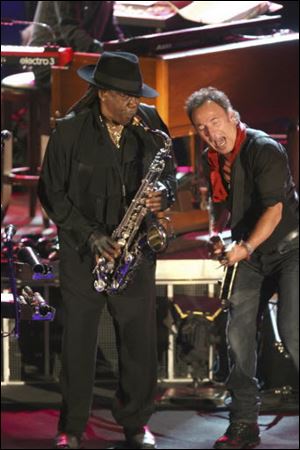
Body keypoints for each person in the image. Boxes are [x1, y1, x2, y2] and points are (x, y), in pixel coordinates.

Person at [38, 51, 177, 449]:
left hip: (134, 250)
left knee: (138, 342)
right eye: (129, 97)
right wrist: (90, 235)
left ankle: (135, 422)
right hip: (85, 252)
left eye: (138, 96)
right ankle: (73, 427)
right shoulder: (69, 130)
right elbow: (52, 193)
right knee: (78, 340)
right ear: (103, 94)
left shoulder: (149, 124)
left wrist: (164, 193)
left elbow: (169, 172)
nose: (137, 104)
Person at [185, 87, 299, 449]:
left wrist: (245, 246)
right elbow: (225, 207)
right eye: (201, 128)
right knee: (237, 335)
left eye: (215, 122)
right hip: (250, 252)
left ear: (232, 117)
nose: (210, 133)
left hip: (288, 248)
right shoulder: (212, 157)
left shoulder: (264, 149)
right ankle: (244, 424)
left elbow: (274, 211)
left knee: (293, 330)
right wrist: (219, 237)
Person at [26, 1, 124, 88]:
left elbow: (110, 30)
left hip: (79, 59)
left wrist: (125, 50)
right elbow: (69, 28)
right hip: (50, 63)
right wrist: (102, 53)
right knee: (107, 83)